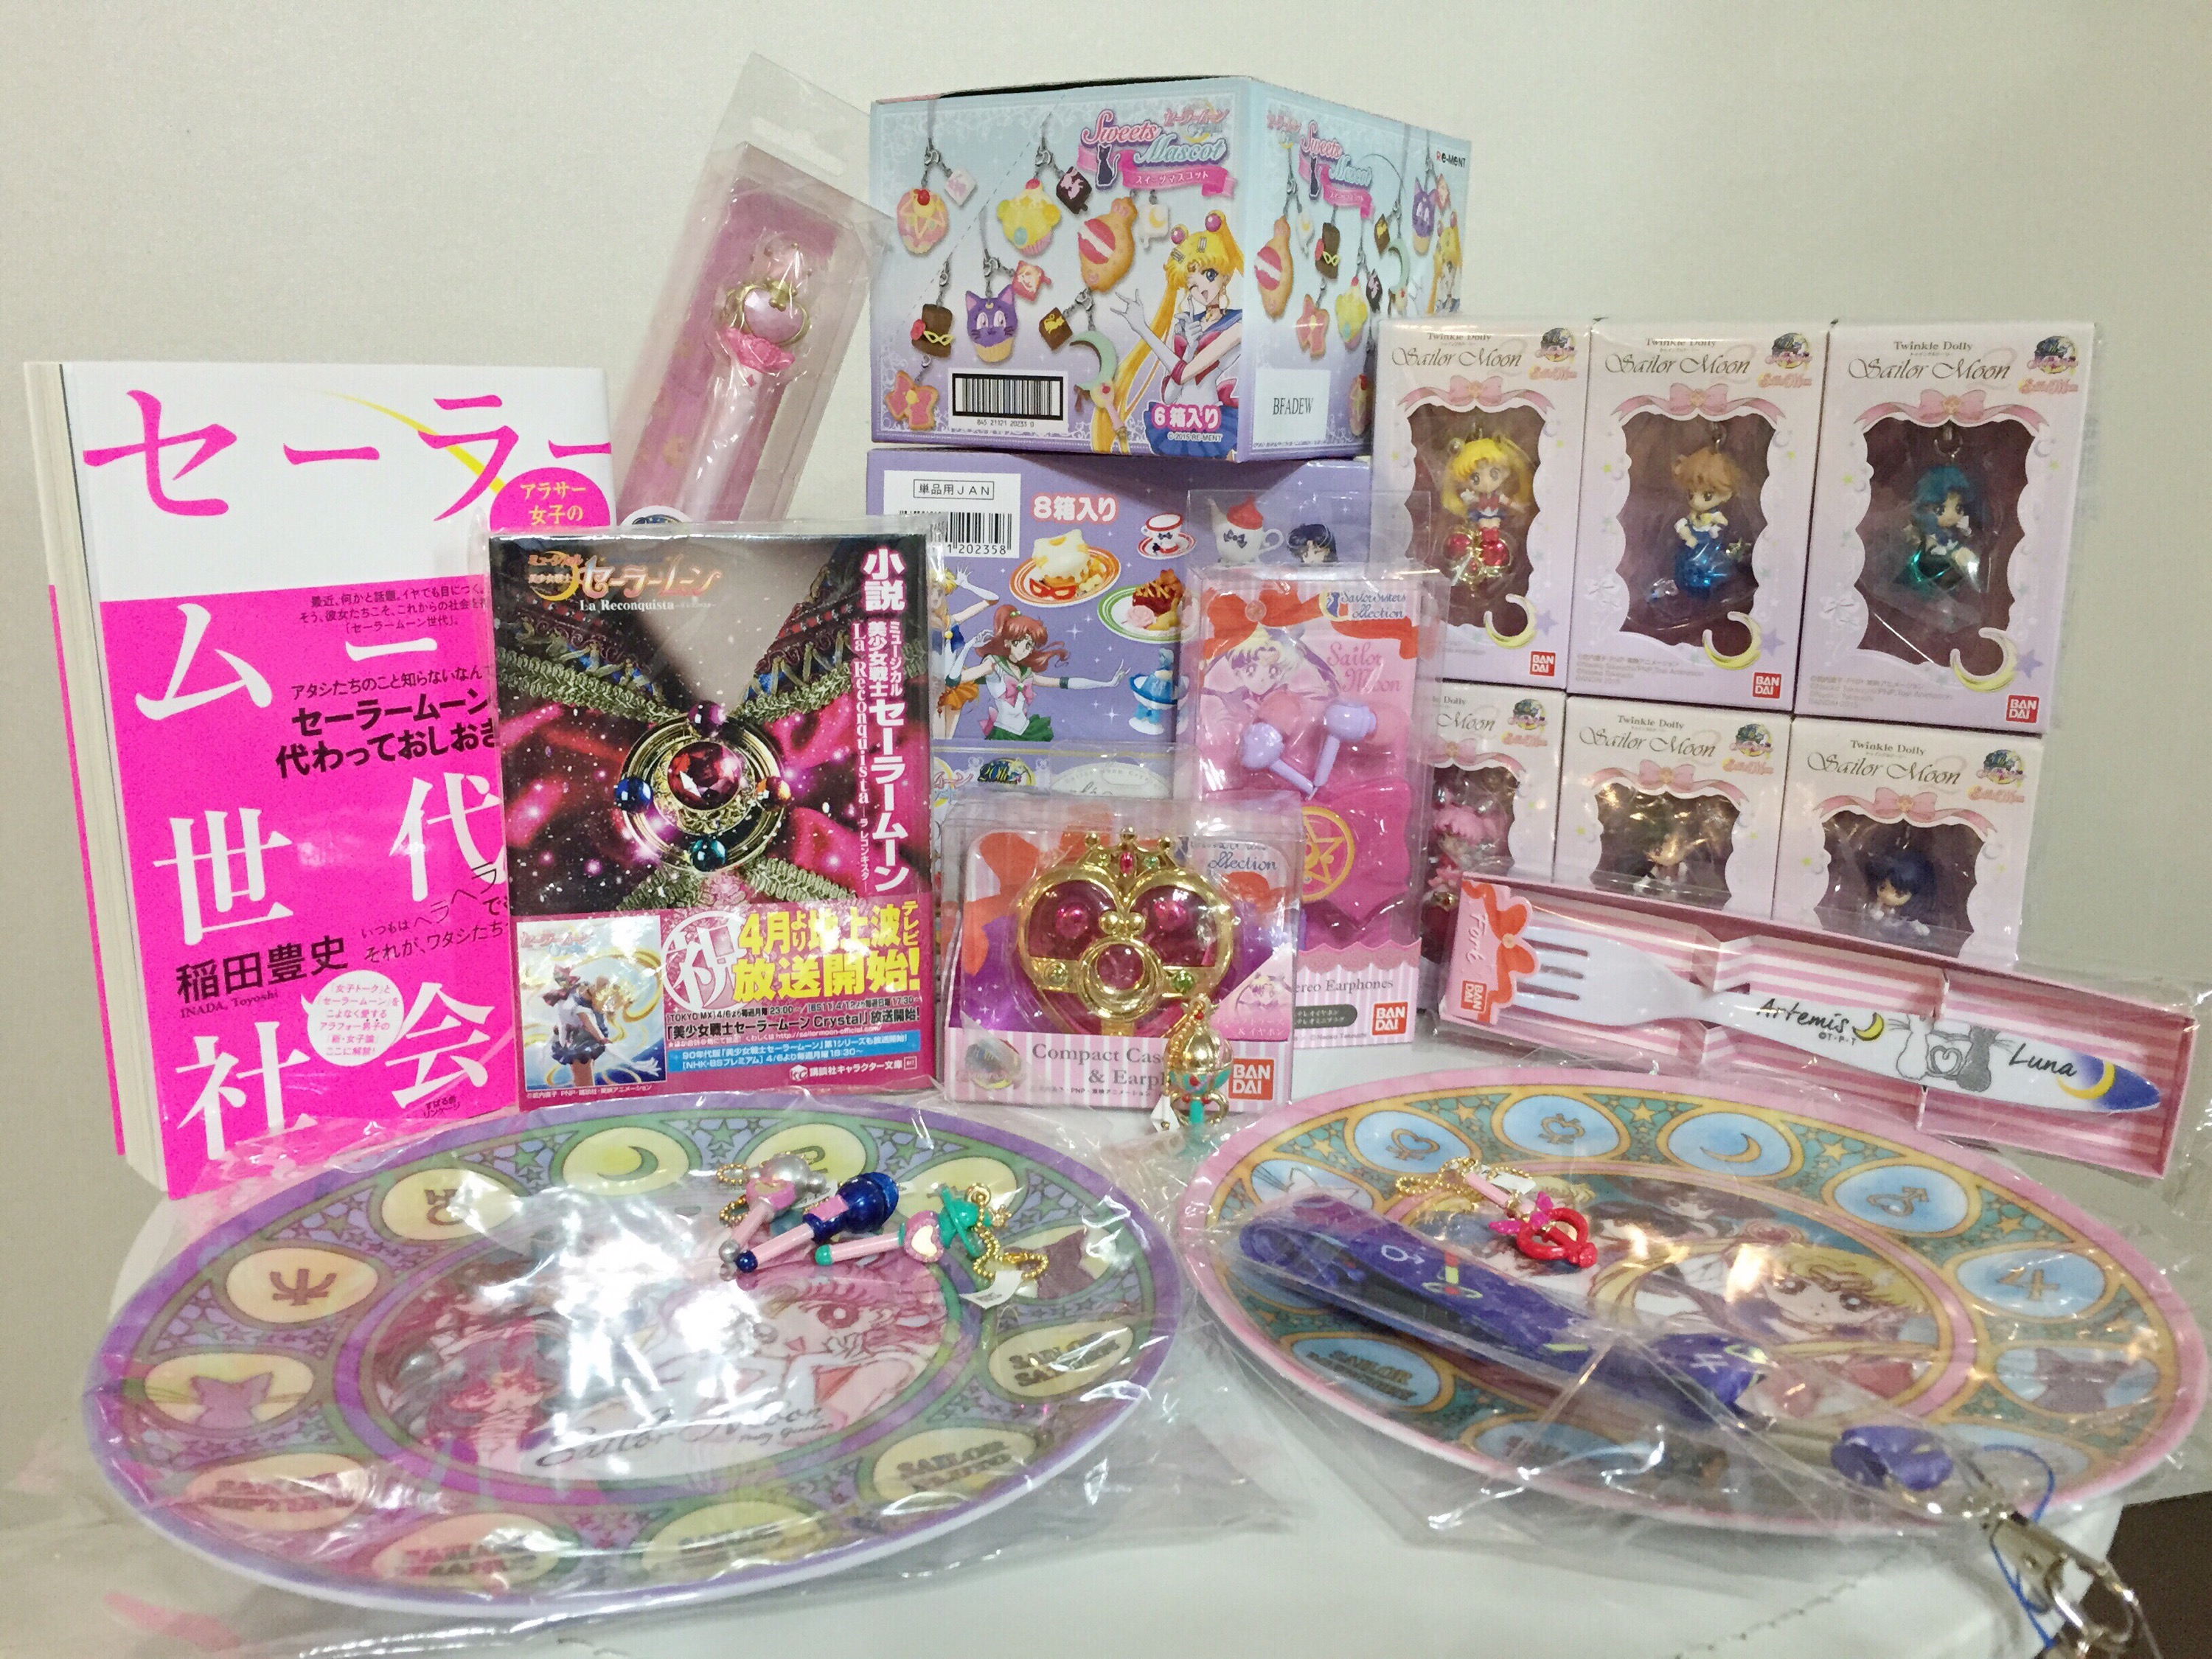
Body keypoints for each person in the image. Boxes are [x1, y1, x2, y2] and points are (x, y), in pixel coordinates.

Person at [942, 604, 1124, 742]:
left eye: (1029, 645)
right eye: (1019, 642)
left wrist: (1106, 683)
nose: (1025, 649)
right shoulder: (993, 665)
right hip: (1005, 734)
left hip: (1028, 731)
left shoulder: (1027, 673)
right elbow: (952, 681)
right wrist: (968, 646)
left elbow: (1064, 683)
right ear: (1007, 642)